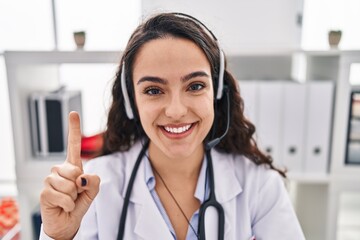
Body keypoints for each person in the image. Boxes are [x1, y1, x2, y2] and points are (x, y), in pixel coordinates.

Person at [39, 12, 305, 240]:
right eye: (154, 90)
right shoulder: (93, 188)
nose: (176, 111)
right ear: (132, 101)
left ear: (217, 94)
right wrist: (59, 236)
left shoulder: (259, 186)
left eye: (195, 86)